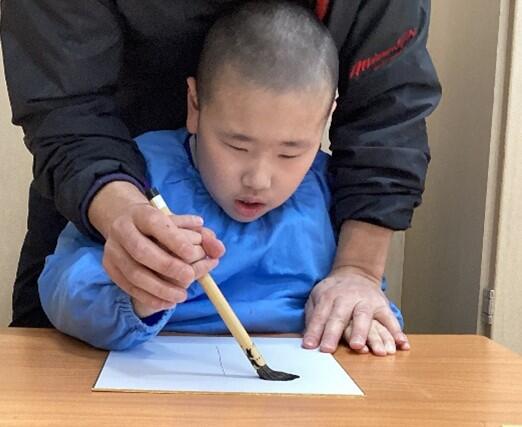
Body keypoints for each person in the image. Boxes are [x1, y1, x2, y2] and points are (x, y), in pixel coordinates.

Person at [1, 0, 440, 353]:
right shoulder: (149, 182)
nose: (259, 179)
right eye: (237, 146)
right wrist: (133, 293)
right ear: (194, 106)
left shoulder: (327, 195)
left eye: (291, 152)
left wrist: (359, 276)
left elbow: (390, 109)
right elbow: (65, 288)